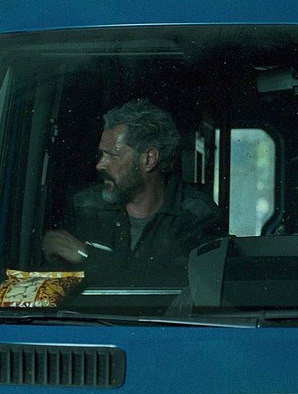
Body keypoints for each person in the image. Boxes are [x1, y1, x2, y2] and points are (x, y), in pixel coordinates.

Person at [42, 99, 225, 286]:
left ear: (149, 159)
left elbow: (176, 284)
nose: (100, 165)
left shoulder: (198, 215)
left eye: (112, 155)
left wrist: (86, 255)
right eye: (102, 154)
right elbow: (57, 283)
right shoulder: (86, 207)